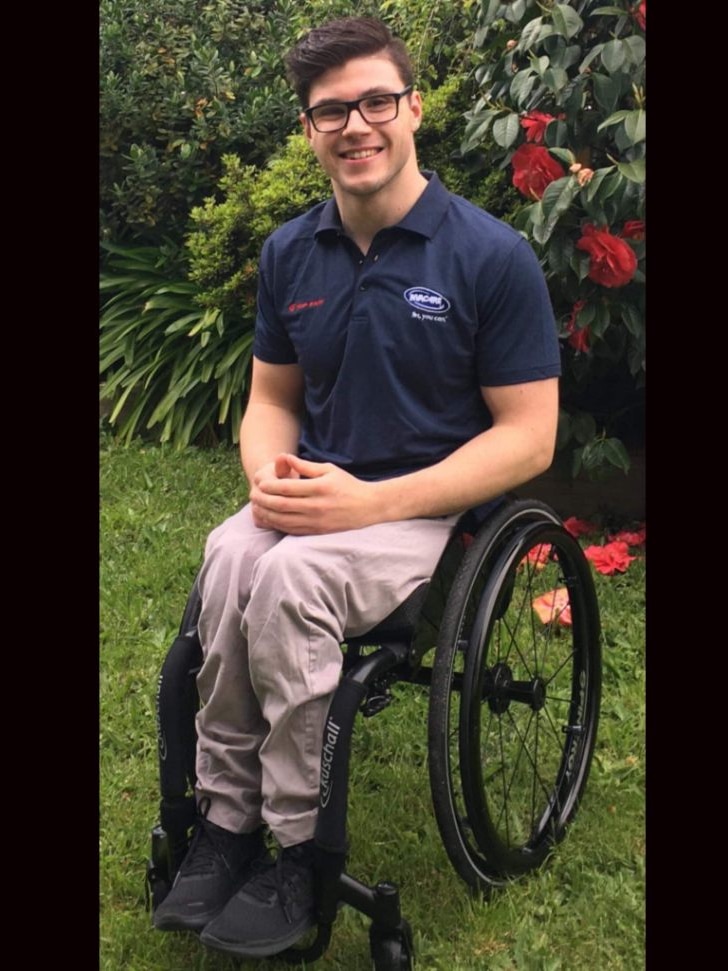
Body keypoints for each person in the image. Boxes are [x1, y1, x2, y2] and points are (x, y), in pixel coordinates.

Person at [152, 14, 561, 959]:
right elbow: (270, 401)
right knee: (227, 554)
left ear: (414, 108)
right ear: (308, 129)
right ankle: (224, 823)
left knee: (291, 582)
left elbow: (530, 437)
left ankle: (299, 851)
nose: (356, 124)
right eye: (330, 110)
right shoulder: (291, 253)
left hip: (425, 508)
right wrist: (268, 478)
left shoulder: (489, 256)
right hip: (320, 493)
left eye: (377, 101)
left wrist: (367, 504)